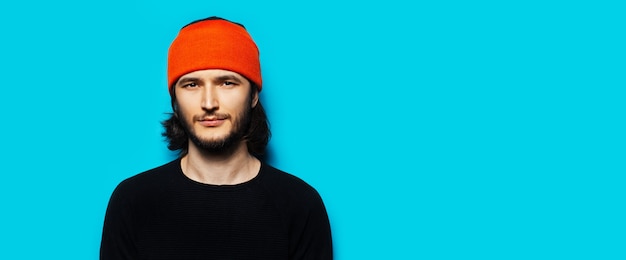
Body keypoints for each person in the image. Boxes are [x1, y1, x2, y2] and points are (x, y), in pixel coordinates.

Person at [100, 16, 333, 259]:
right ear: (175, 101)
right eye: (191, 85)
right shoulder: (133, 202)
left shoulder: (300, 205)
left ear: (253, 95)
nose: (209, 103)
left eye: (227, 83)